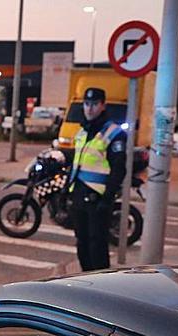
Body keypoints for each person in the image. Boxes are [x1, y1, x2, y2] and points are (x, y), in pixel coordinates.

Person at [67, 87, 127, 271]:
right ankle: (85, 281)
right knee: (82, 243)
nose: (89, 108)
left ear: (103, 105)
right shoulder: (82, 132)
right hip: (79, 194)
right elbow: (76, 163)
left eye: (94, 104)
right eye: (86, 104)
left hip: (98, 198)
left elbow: (118, 169)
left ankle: (99, 284)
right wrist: (66, 189)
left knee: (97, 245)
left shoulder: (114, 133)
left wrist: (107, 198)